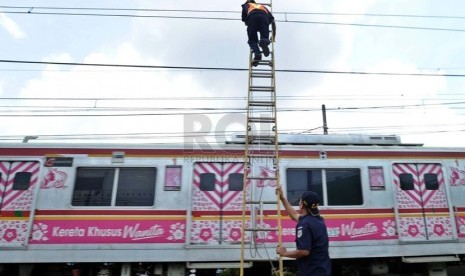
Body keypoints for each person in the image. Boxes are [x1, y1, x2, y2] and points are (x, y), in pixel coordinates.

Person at [276, 187, 332, 276]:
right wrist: (282, 198)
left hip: (312, 272)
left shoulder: (304, 224)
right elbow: (294, 215)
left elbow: (304, 251)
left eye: (300, 200)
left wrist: (285, 253)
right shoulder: (318, 220)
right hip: (323, 270)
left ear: (302, 205)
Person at [241, 0, 276, 66]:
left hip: (252, 17)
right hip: (264, 17)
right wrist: (274, 35)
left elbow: (244, 20)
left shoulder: (246, 5)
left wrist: (251, 26)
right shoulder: (262, 6)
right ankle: (264, 41)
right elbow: (273, 21)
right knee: (264, 36)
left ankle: (257, 54)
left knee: (252, 40)